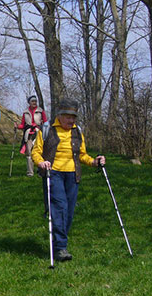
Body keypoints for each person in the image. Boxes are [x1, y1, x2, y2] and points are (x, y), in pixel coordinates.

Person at [32, 98, 105, 261]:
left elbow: (82, 155)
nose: (71, 120)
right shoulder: (47, 129)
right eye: (68, 117)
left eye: (74, 117)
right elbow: (36, 151)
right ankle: (60, 247)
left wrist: (94, 162)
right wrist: (41, 162)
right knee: (60, 208)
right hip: (54, 173)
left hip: (73, 175)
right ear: (60, 115)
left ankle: (59, 242)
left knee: (69, 211)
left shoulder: (77, 131)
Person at [15, 95, 48, 177]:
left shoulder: (41, 111)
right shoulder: (25, 112)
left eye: (35, 101)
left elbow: (46, 122)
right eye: (32, 101)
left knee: (39, 152)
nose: (34, 103)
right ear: (29, 102)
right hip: (28, 133)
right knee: (29, 153)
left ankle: (41, 171)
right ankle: (30, 172)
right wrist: (17, 126)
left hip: (38, 132)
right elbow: (23, 124)